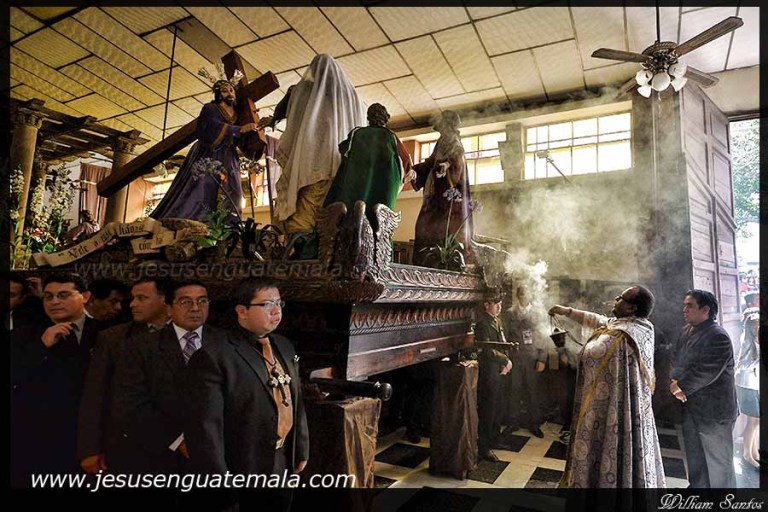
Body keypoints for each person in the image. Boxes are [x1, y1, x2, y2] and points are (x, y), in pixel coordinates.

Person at [184, 278, 309, 512]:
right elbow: (205, 429)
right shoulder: (215, 355)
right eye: (267, 304)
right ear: (241, 311)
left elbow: (296, 401)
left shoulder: (284, 345)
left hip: (282, 460)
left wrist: (301, 448)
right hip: (241, 465)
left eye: (279, 303)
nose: (276, 311)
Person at [549, 285, 665, 488]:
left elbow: (588, 355)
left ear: (631, 308)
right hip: (628, 404)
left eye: (621, 298)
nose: (616, 299)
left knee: (609, 446)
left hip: (613, 408)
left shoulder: (621, 337)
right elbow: (599, 320)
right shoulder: (641, 326)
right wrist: (567, 311)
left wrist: (562, 344)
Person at [113, 280, 225, 474]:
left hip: (220, 452)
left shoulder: (227, 343)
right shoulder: (139, 348)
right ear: (169, 308)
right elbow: (130, 402)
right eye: (186, 302)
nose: (195, 308)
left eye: (202, 301)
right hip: (163, 456)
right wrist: (177, 440)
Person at [259, 54, 366, 234]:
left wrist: (275, 118)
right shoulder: (352, 98)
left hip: (311, 161)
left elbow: (289, 110)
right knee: (324, 213)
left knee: (303, 214)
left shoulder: (308, 92)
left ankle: (299, 245)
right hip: (338, 166)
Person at [10, 272, 99, 487]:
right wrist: (42, 346)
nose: (54, 302)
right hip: (38, 440)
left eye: (63, 295)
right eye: (48, 296)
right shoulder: (22, 335)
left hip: (92, 439)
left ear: (85, 296)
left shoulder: (107, 334)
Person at [77, 277, 171, 475]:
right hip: (126, 443)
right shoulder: (113, 338)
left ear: (164, 300)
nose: (132, 304)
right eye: (133, 298)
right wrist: (89, 448)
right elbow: (95, 394)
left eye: (142, 298)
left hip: (179, 445)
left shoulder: (188, 333)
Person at [150, 78, 260, 222]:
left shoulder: (237, 114)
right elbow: (210, 128)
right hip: (209, 153)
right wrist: (238, 130)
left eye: (231, 90)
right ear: (218, 94)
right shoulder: (210, 108)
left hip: (229, 156)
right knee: (202, 187)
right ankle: (198, 221)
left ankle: (228, 225)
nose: (230, 93)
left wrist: (254, 134)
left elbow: (241, 139)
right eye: (225, 91)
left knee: (234, 191)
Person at [671, 289, 738, 488]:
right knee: (696, 459)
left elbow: (706, 371)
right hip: (692, 407)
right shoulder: (687, 330)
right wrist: (674, 380)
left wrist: (680, 386)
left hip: (715, 413)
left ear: (706, 310)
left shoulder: (718, 336)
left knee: (718, 465)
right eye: (685, 305)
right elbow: (676, 358)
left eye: (690, 306)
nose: (684, 310)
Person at [323, 103, 415, 232]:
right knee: (379, 222)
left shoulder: (356, 133)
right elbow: (406, 163)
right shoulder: (390, 136)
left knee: (348, 216)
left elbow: (343, 149)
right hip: (383, 187)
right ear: (386, 118)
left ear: (368, 118)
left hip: (355, 185)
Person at [412, 110, 473, 268]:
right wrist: (414, 171)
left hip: (445, 198)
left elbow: (457, 157)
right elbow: (431, 162)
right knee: (425, 228)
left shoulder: (452, 139)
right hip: (436, 194)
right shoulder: (442, 140)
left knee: (439, 230)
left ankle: (437, 264)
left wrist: (446, 166)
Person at [503, 285, 547, 438]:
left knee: (532, 392)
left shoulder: (538, 313)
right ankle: (512, 423)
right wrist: (506, 359)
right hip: (515, 358)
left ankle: (534, 424)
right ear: (517, 295)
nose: (523, 296)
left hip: (532, 358)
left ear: (530, 295)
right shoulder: (510, 313)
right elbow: (505, 337)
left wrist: (542, 359)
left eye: (526, 294)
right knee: (514, 391)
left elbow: (544, 336)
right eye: (521, 294)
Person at [473, 294, 513, 462]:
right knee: (487, 411)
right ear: (486, 305)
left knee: (497, 408)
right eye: (496, 304)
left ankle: (495, 439)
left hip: (498, 370)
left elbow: (501, 344)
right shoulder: (483, 324)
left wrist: (505, 362)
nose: (499, 307)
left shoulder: (496, 321)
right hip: (488, 372)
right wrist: (505, 360)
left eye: (500, 304)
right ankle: (484, 447)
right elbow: (487, 350)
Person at [735, 312, 760, 468]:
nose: (757, 327)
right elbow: (742, 365)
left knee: (757, 421)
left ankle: (754, 452)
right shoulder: (746, 341)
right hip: (745, 384)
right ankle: (747, 455)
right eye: (754, 325)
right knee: (753, 420)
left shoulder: (757, 340)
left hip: (754, 384)